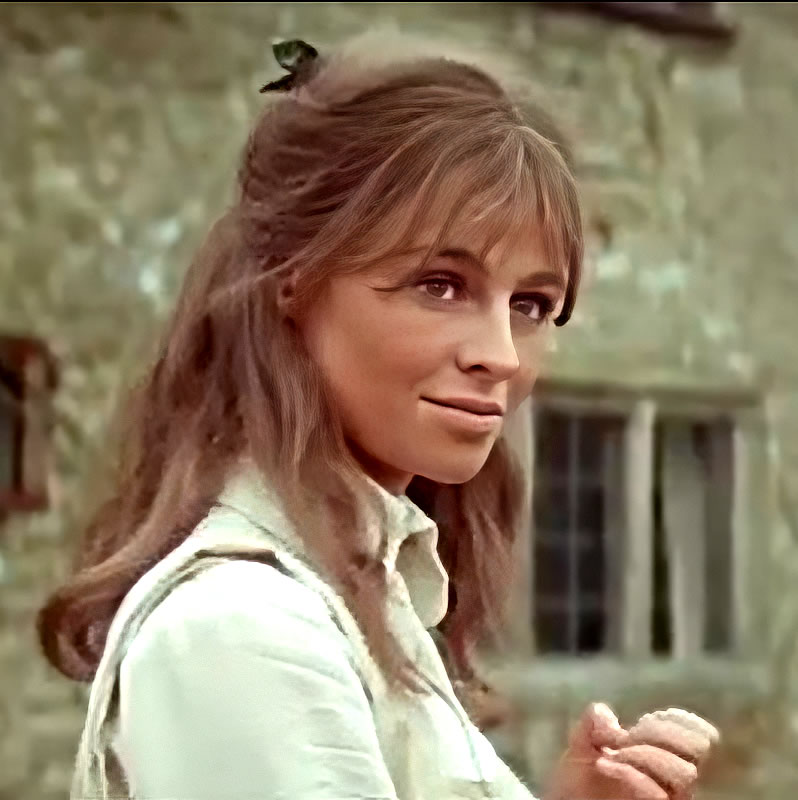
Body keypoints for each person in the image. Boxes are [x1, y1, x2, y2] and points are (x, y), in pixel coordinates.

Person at [37, 34, 719, 800]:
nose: (500, 355)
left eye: (531, 304)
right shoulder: (242, 629)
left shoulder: (365, 593)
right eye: (440, 285)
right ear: (295, 280)